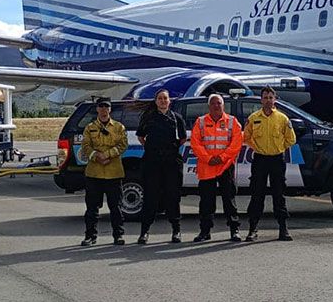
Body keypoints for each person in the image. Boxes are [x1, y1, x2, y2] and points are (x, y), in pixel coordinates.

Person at [243, 86, 296, 242]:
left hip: (277, 160)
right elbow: (246, 137)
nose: (267, 100)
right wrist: (257, 147)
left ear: (275, 99)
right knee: (256, 195)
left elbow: (290, 139)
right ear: (261, 100)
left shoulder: (282, 118)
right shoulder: (253, 118)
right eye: (265, 97)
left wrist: (279, 148)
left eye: (270, 97)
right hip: (260, 160)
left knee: (279, 195)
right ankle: (252, 229)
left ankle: (283, 228)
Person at [135, 89, 187, 244]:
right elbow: (140, 136)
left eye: (165, 98)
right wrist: (152, 148)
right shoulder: (149, 117)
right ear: (156, 101)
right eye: (160, 98)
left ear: (169, 101)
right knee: (150, 197)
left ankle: (176, 230)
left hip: (171, 162)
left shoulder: (177, 118)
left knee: (173, 197)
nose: (163, 101)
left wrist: (171, 148)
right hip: (152, 162)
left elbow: (183, 138)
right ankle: (144, 232)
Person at [190, 94, 243, 242]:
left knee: (229, 200)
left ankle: (234, 230)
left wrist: (221, 158)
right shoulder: (200, 122)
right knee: (206, 202)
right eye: (213, 103)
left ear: (223, 105)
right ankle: (205, 231)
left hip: (225, 166)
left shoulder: (232, 122)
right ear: (209, 106)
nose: (216, 106)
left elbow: (236, 144)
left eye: (219, 103)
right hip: (207, 167)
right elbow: (195, 143)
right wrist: (208, 158)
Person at [79, 98, 128, 246]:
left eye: (106, 106)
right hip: (94, 173)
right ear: (97, 109)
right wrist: (97, 156)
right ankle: (90, 236)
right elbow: (85, 146)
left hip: (114, 172)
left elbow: (123, 144)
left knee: (116, 207)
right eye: (101, 106)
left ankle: (118, 235)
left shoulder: (119, 127)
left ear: (110, 109)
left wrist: (107, 155)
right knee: (92, 208)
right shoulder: (90, 128)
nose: (104, 109)